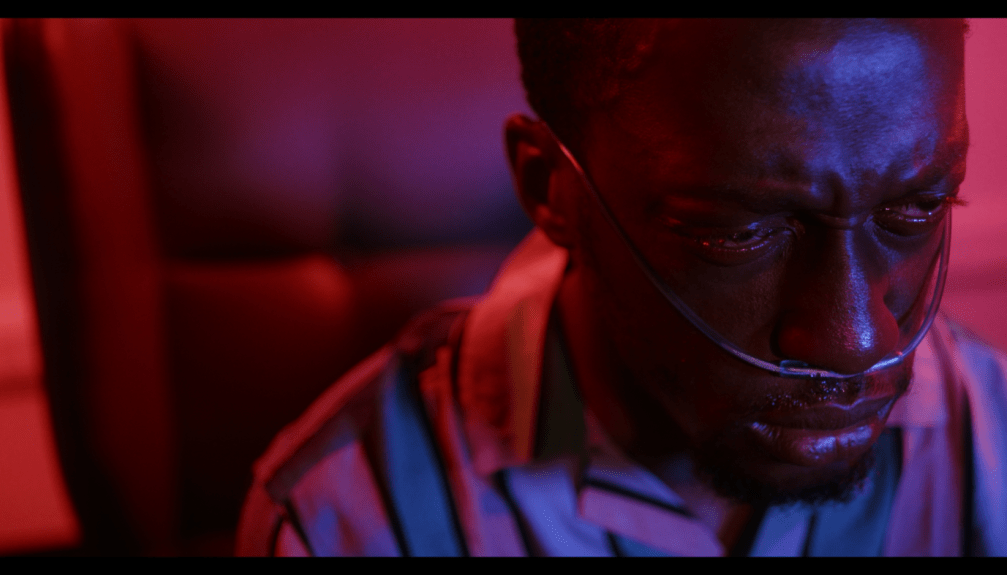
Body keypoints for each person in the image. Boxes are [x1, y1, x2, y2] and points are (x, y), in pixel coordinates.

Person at [236, 19, 1007, 556]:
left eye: (918, 208)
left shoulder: (990, 436)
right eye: (735, 232)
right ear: (549, 187)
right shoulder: (346, 520)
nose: (857, 341)